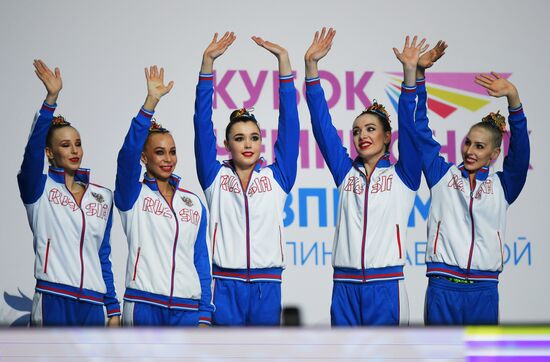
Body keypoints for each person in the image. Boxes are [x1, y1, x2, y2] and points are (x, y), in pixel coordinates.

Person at [304, 29, 425, 326]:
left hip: (386, 287)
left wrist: (410, 76)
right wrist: (311, 68)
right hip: (344, 287)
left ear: (387, 137)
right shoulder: (346, 174)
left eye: (371, 129)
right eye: (357, 130)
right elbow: (322, 126)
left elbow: (411, 130)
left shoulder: (404, 176)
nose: (362, 135)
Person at [415, 43, 530, 325]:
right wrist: (419, 76)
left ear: (494, 154)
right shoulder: (442, 175)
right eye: (468, 142)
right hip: (443, 287)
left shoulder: (504, 187)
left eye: (479, 147)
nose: (470, 151)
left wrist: (513, 99)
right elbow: (419, 128)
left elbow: (520, 153)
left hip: (484, 290)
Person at [193, 32, 300, 326]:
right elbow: (202, 123)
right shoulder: (214, 177)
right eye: (239, 138)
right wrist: (207, 66)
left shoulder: (277, 177)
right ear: (227, 144)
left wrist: (284, 64)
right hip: (224, 286)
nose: (248, 144)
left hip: (268, 286)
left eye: (254, 137)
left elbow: (289, 125)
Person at [18, 60, 120, 326]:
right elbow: (30, 154)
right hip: (53, 298)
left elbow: (102, 256)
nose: (74, 150)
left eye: (78, 144)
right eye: (65, 145)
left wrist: (112, 306)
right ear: (50, 153)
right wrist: (50, 100)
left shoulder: (103, 197)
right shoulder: (38, 189)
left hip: (93, 304)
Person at [115, 65, 214, 326]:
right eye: (159, 152)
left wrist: (204, 312)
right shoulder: (131, 195)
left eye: (172, 151)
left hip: (187, 309)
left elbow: (200, 259)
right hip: (144, 304)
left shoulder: (193, 204)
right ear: (145, 157)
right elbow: (126, 158)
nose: (168, 159)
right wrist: (150, 104)